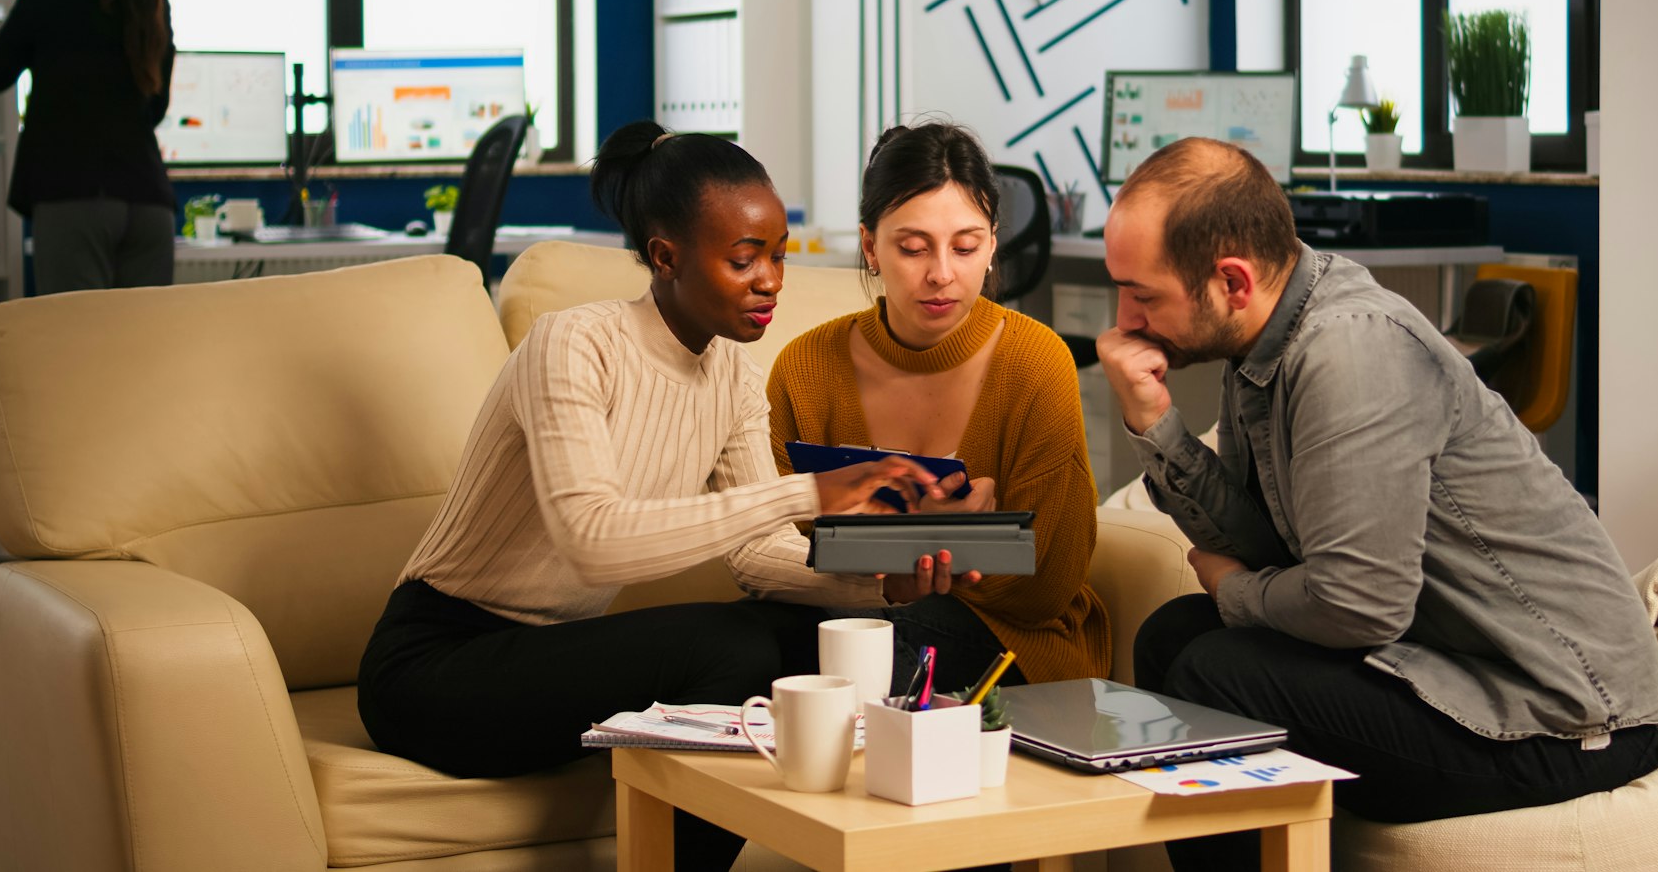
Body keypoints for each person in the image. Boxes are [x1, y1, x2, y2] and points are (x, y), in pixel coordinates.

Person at [357, 121, 939, 870]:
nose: (771, 280)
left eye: (778, 256)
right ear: (665, 256)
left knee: (804, 636)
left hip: (543, 655)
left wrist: (879, 584)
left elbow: (757, 556)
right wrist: (804, 492)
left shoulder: (730, 379)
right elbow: (590, 537)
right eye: (744, 258)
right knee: (729, 644)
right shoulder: (572, 343)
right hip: (433, 666)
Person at [1097, 138, 1658, 864]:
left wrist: (1237, 593)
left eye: (1143, 294)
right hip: (1440, 662)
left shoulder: (1348, 352)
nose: (1122, 319)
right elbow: (1264, 544)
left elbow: (1359, 604)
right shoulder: (1264, 344)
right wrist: (1155, 421)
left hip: (1565, 716)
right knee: (1174, 635)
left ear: (1233, 282)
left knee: (1214, 669)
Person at [729, 121, 1111, 692]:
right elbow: (776, 551)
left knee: (870, 653)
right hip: (847, 615)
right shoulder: (805, 368)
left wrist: (943, 551)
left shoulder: (1036, 362)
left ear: (992, 245)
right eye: (912, 248)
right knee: (726, 645)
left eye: (966, 246)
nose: (941, 273)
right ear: (869, 247)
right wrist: (903, 552)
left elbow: (1048, 587)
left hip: (1011, 637)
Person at [0, 0, 176, 295]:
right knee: (147, 354)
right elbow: (154, 110)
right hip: (148, 202)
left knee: (79, 353)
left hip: (73, 200)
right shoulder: (152, 4)